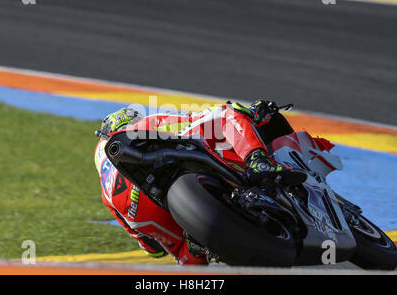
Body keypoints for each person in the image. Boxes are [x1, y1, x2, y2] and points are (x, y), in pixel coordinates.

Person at [94, 100, 306, 265]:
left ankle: (197, 245)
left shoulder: (106, 195)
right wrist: (252, 113)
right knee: (226, 113)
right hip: (163, 175)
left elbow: (153, 250)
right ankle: (257, 160)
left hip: (134, 210)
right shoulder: (142, 126)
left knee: (186, 257)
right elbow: (196, 119)